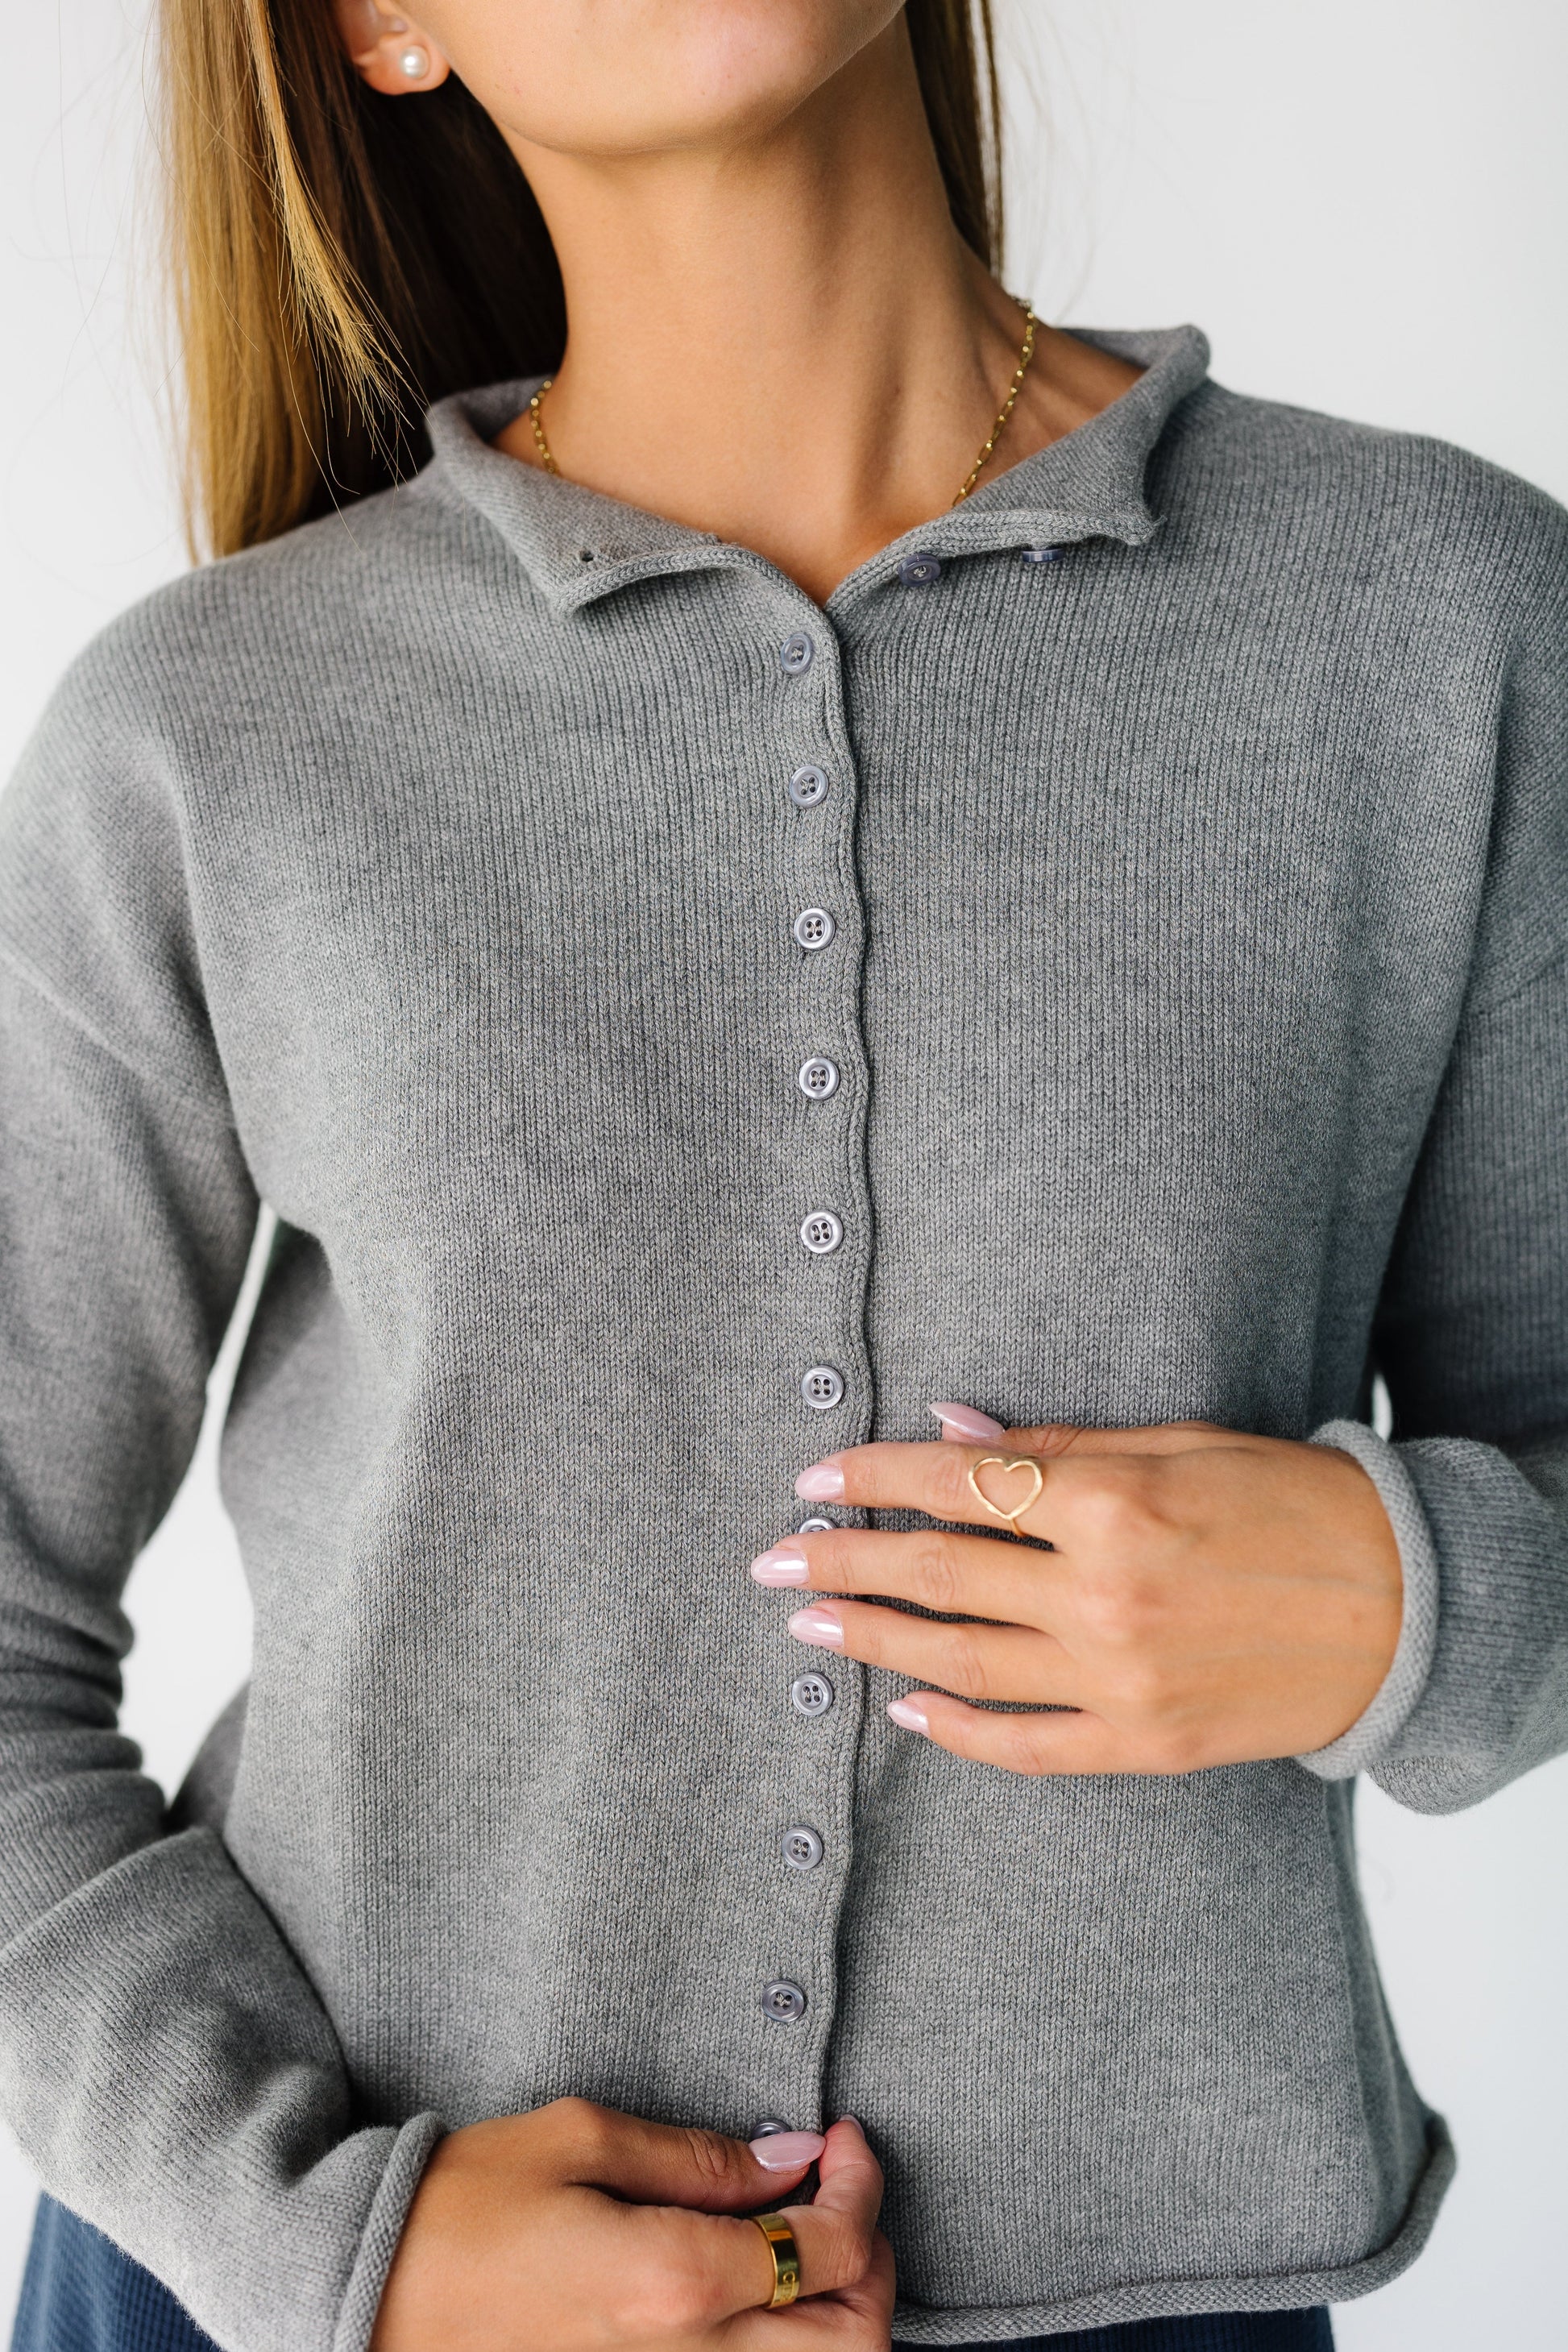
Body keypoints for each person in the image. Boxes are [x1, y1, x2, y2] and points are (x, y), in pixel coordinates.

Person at [2, 2, 1565, 2349]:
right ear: (378, 28)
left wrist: (1404, 1594)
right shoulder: (211, 735)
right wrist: (341, 2243)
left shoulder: (1438, 621)